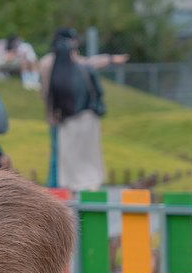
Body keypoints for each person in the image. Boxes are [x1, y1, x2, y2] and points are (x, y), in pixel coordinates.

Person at [39, 27, 128, 190]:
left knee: (58, 157)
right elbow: (88, 63)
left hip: (55, 115)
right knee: (65, 158)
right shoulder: (64, 62)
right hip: (68, 116)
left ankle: (54, 190)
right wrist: (111, 59)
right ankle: (59, 189)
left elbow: (45, 92)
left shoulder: (45, 62)